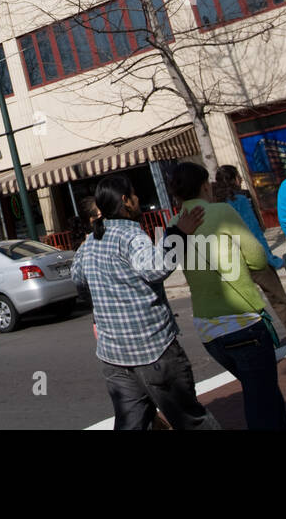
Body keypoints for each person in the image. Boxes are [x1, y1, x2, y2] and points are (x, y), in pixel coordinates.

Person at [71, 174, 219, 430]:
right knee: (191, 420)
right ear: (126, 201)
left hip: (114, 357)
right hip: (153, 352)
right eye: (135, 195)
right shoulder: (130, 236)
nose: (139, 200)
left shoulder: (89, 244)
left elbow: (79, 281)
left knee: (131, 424)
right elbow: (155, 268)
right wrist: (179, 234)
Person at [170, 162, 286, 430]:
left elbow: (170, 261)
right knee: (263, 401)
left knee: (262, 393)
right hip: (243, 319)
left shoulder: (173, 225)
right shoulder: (221, 211)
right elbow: (257, 257)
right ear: (205, 186)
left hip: (207, 327)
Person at [214, 165, 286, 357]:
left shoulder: (215, 206)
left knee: (249, 307)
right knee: (278, 299)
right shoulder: (240, 200)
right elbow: (253, 231)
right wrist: (270, 258)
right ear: (234, 180)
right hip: (255, 257)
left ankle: (261, 345)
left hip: (232, 262)